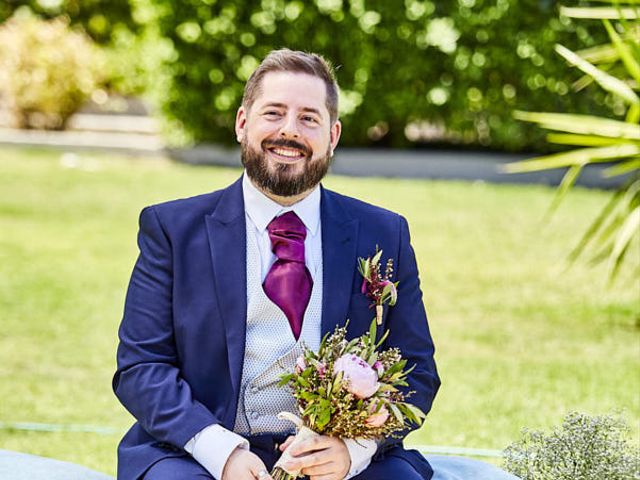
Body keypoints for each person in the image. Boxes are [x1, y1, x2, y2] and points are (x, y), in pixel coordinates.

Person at [113, 48, 440, 480]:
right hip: (197, 452)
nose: (289, 131)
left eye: (309, 118)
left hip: (336, 458)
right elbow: (142, 367)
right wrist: (220, 451)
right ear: (242, 123)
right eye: (274, 113)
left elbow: (417, 369)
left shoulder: (383, 234)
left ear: (333, 135)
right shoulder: (173, 229)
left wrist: (352, 449)